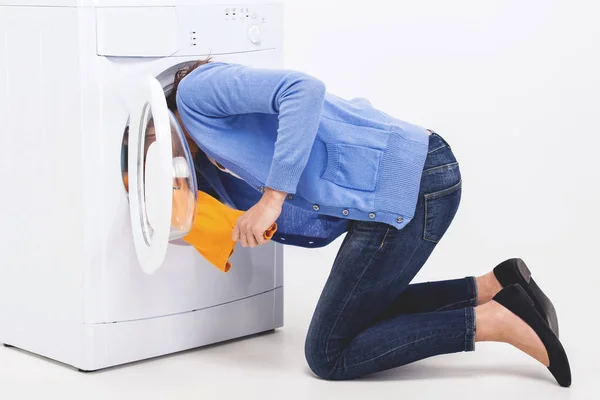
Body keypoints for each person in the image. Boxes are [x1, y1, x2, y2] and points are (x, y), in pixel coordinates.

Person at [165, 59, 571, 386]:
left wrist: (272, 199)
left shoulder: (196, 91)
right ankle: (493, 287)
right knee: (358, 312)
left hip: (410, 185)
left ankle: (495, 321)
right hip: (407, 181)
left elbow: (303, 90)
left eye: (151, 141)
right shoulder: (209, 155)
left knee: (328, 355)